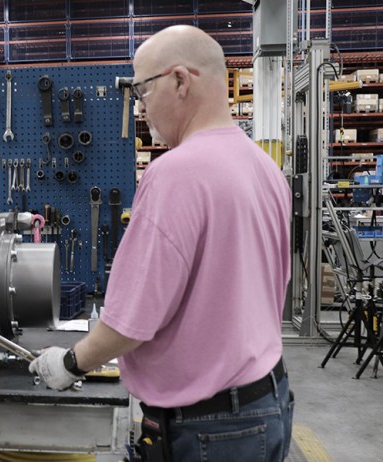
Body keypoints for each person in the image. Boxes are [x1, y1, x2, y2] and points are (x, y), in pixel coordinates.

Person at [29, 25, 294, 462]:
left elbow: (131, 321)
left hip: (209, 427)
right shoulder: (265, 169)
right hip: (267, 401)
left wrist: (70, 363)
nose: (140, 107)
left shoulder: (176, 173)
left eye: (142, 91)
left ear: (180, 81)